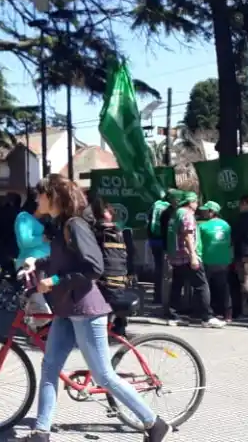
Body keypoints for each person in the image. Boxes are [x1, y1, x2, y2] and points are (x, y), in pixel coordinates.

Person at [17, 174, 171, 442]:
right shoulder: (63, 224)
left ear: (52, 196)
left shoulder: (75, 224)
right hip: (66, 308)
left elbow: (93, 267)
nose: (36, 199)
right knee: (50, 367)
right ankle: (41, 432)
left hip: (87, 308)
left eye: (40, 194)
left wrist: (53, 281)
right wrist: (37, 263)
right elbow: (62, 260)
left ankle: (154, 423)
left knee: (103, 376)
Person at [167, 192, 224, 328]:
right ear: (190, 202)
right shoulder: (187, 215)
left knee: (177, 285)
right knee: (201, 285)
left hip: (176, 256)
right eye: (196, 202)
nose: (197, 205)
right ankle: (207, 317)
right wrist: (193, 256)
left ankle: (174, 316)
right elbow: (188, 235)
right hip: (188, 255)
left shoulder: (176, 214)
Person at [92, 202, 133, 338]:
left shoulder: (95, 232)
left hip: (106, 278)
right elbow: (130, 254)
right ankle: (119, 326)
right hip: (120, 277)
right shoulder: (122, 232)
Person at [196, 201, 233, 322]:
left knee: (205, 288)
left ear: (212, 212)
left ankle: (206, 312)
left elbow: (198, 244)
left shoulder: (202, 226)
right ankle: (228, 314)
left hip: (207, 260)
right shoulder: (226, 225)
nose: (203, 213)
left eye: (206, 210)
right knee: (223, 287)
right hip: (224, 261)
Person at [146, 194, 171, 304]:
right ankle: (165, 298)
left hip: (153, 240)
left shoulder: (155, 205)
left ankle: (157, 297)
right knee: (166, 270)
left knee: (159, 268)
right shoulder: (169, 208)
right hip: (165, 241)